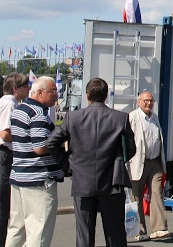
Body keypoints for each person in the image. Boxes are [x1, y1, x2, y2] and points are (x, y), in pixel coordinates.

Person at [47, 77, 136, 247]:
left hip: (82, 181)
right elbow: (131, 149)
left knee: (84, 236)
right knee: (115, 234)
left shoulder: (73, 117)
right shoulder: (120, 118)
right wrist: (118, 160)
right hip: (112, 182)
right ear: (106, 96)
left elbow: (52, 142)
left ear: (87, 95)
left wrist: (67, 166)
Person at [7, 76, 63, 247]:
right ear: (39, 93)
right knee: (39, 232)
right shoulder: (39, 114)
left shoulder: (19, 109)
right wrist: (61, 144)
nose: (56, 95)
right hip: (38, 180)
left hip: (19, 176)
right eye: (52, 91)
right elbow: (40, 147)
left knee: (17, 228)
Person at [129, 91, 170, 240]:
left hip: (155, 162)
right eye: (146, 101)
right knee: (137, 197)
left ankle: (159, 228)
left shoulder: (155, 118)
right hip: (139, 162)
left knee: (157, 193)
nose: (149, 103)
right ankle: (139, 231)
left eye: (151, 101)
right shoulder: (133, 117)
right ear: (139, 102)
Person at [1, 73, 30, 246]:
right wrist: (26, 136)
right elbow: (5, 133)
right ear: (15, 89)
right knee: (4, 204)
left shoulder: (9, 102)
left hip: (5, 155)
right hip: (4, 155)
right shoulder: (9, 103)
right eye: (26, 86)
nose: (28, 89)